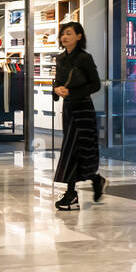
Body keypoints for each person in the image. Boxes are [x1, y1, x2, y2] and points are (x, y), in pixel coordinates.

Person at [52, 22, 106, 210]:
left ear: (79, 36)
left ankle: (71, 193)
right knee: (75, 150)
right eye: (62, 34)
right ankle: (96, 179)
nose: (64, 37)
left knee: (75, 150)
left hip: (83, 110)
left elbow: (95, 85)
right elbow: (58, 82)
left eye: (68, 33)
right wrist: (56, 90)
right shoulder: (60, 59)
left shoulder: (84, 58)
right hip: (68, 110)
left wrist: (73, 93)